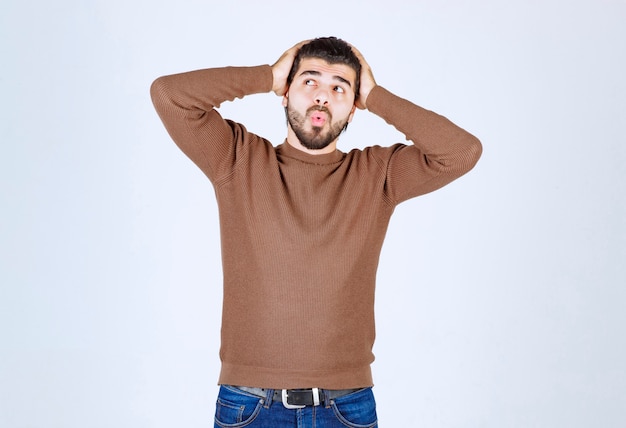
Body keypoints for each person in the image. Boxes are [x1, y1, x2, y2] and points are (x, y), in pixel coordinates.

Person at [151, 36, 482, 428]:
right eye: (310, 82)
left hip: (346, 408)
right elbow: (169, 95)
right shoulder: (236, 159)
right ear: (285, 93)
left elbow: (461, 152)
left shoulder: (378, 174)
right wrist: (265, 76)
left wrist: (376, 95)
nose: (323, 97)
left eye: (339, 88)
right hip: (249, 405)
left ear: (353, 107)